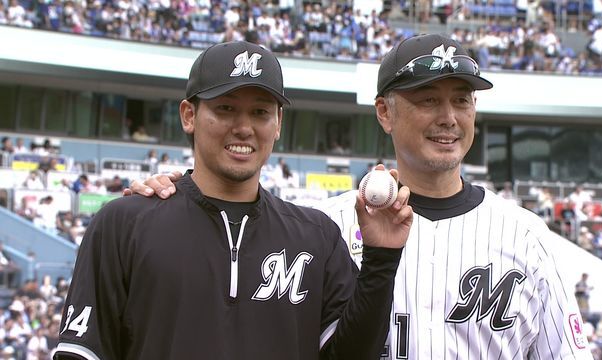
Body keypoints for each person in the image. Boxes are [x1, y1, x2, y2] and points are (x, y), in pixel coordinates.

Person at [128, 34, 592, 358]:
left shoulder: (526, 236)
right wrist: (176, 191)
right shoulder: (318, 227)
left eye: (462, 99)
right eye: (428, 99)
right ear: (385, 113)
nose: (449, 117)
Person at [54, 40, 413, 360]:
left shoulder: (316, 235)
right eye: (225, 108)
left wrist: (381, 258)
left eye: (260, 112)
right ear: (189, 115)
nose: (243, 127)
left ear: (278, 124)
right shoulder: (123, 223)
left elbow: (353, 355)